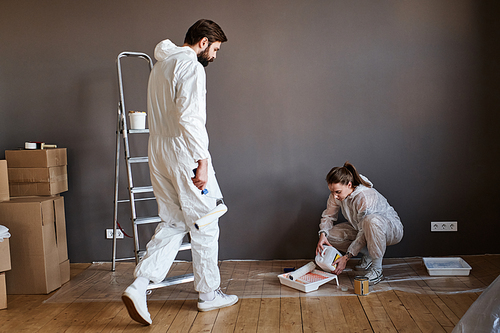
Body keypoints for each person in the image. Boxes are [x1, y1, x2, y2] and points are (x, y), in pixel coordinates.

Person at [121, 19, 238, 326]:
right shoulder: (191, 67)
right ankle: (209, 294)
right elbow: (190, 118)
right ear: (203, 42)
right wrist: (202, 159)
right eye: (214, 49)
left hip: (157, 152)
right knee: (205, 222)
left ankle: (139, 285)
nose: (214, 56)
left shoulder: (160, 67)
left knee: (173, 222)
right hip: (183, 152)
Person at [316, 161, 404, 285]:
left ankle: (377, 269)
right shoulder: (337, 195)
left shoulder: (365, 196)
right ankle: (368, 256)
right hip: (362, 227)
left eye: (338, 192)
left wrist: (346, 257)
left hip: (391, 230)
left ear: (349, 185)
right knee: (330, 235)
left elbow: (365, 230)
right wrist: (323, 235)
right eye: (332, 191)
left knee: (371, 221)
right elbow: (328, 216)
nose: (334, 196)